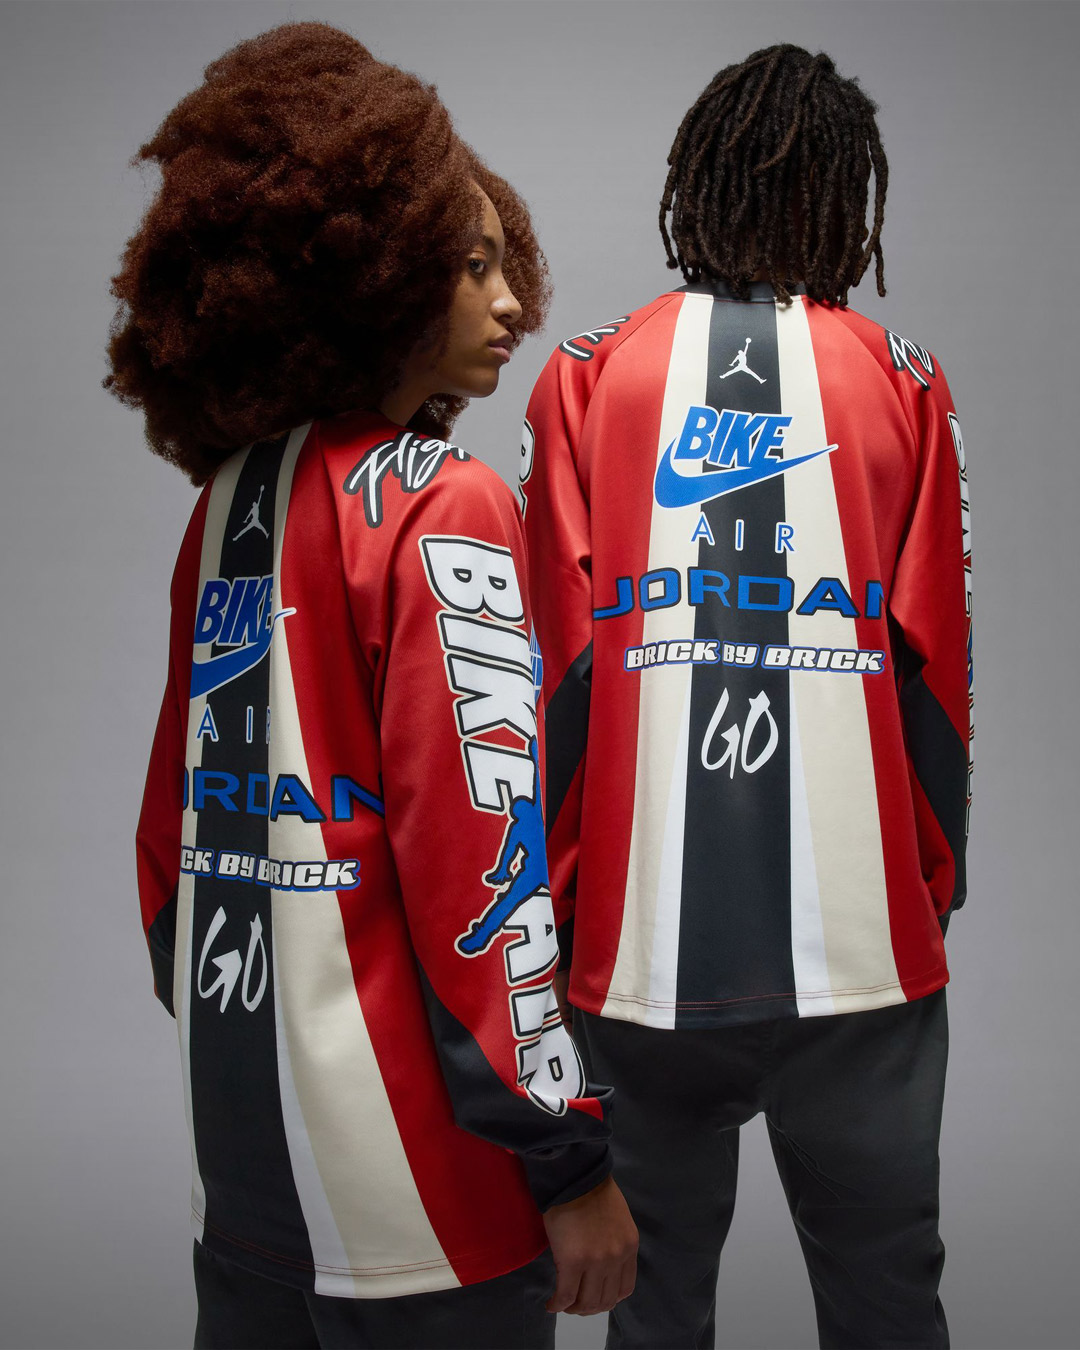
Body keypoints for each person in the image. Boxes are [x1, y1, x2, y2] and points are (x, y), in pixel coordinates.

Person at [107, 23, 636, 1349]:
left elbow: (172, 851)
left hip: (244, 1185)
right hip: (429, 1210)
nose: (513, 305)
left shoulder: (227, 502)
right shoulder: (444, 501)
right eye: (473, 266)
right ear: (374, 269)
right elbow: (484, 872)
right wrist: (569, 1160)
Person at [521, 44, 971, 1350]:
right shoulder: (904, 374)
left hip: (637, 954)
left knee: (652, 1308)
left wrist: (563, 911)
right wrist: (930, 887)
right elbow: (937, 669)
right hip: (863, 955)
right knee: (889, 1301)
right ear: (845, 195)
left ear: (697, 188)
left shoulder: (587, 372)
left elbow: (552, 671)